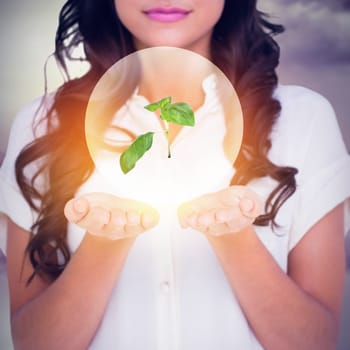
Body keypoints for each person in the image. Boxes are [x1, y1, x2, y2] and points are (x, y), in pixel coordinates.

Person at [0, 0, 350, 349]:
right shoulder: (42, 126)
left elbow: (315, 341)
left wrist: (235, 237)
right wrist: (104, 243)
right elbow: (34, 343)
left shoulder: (303, 121)